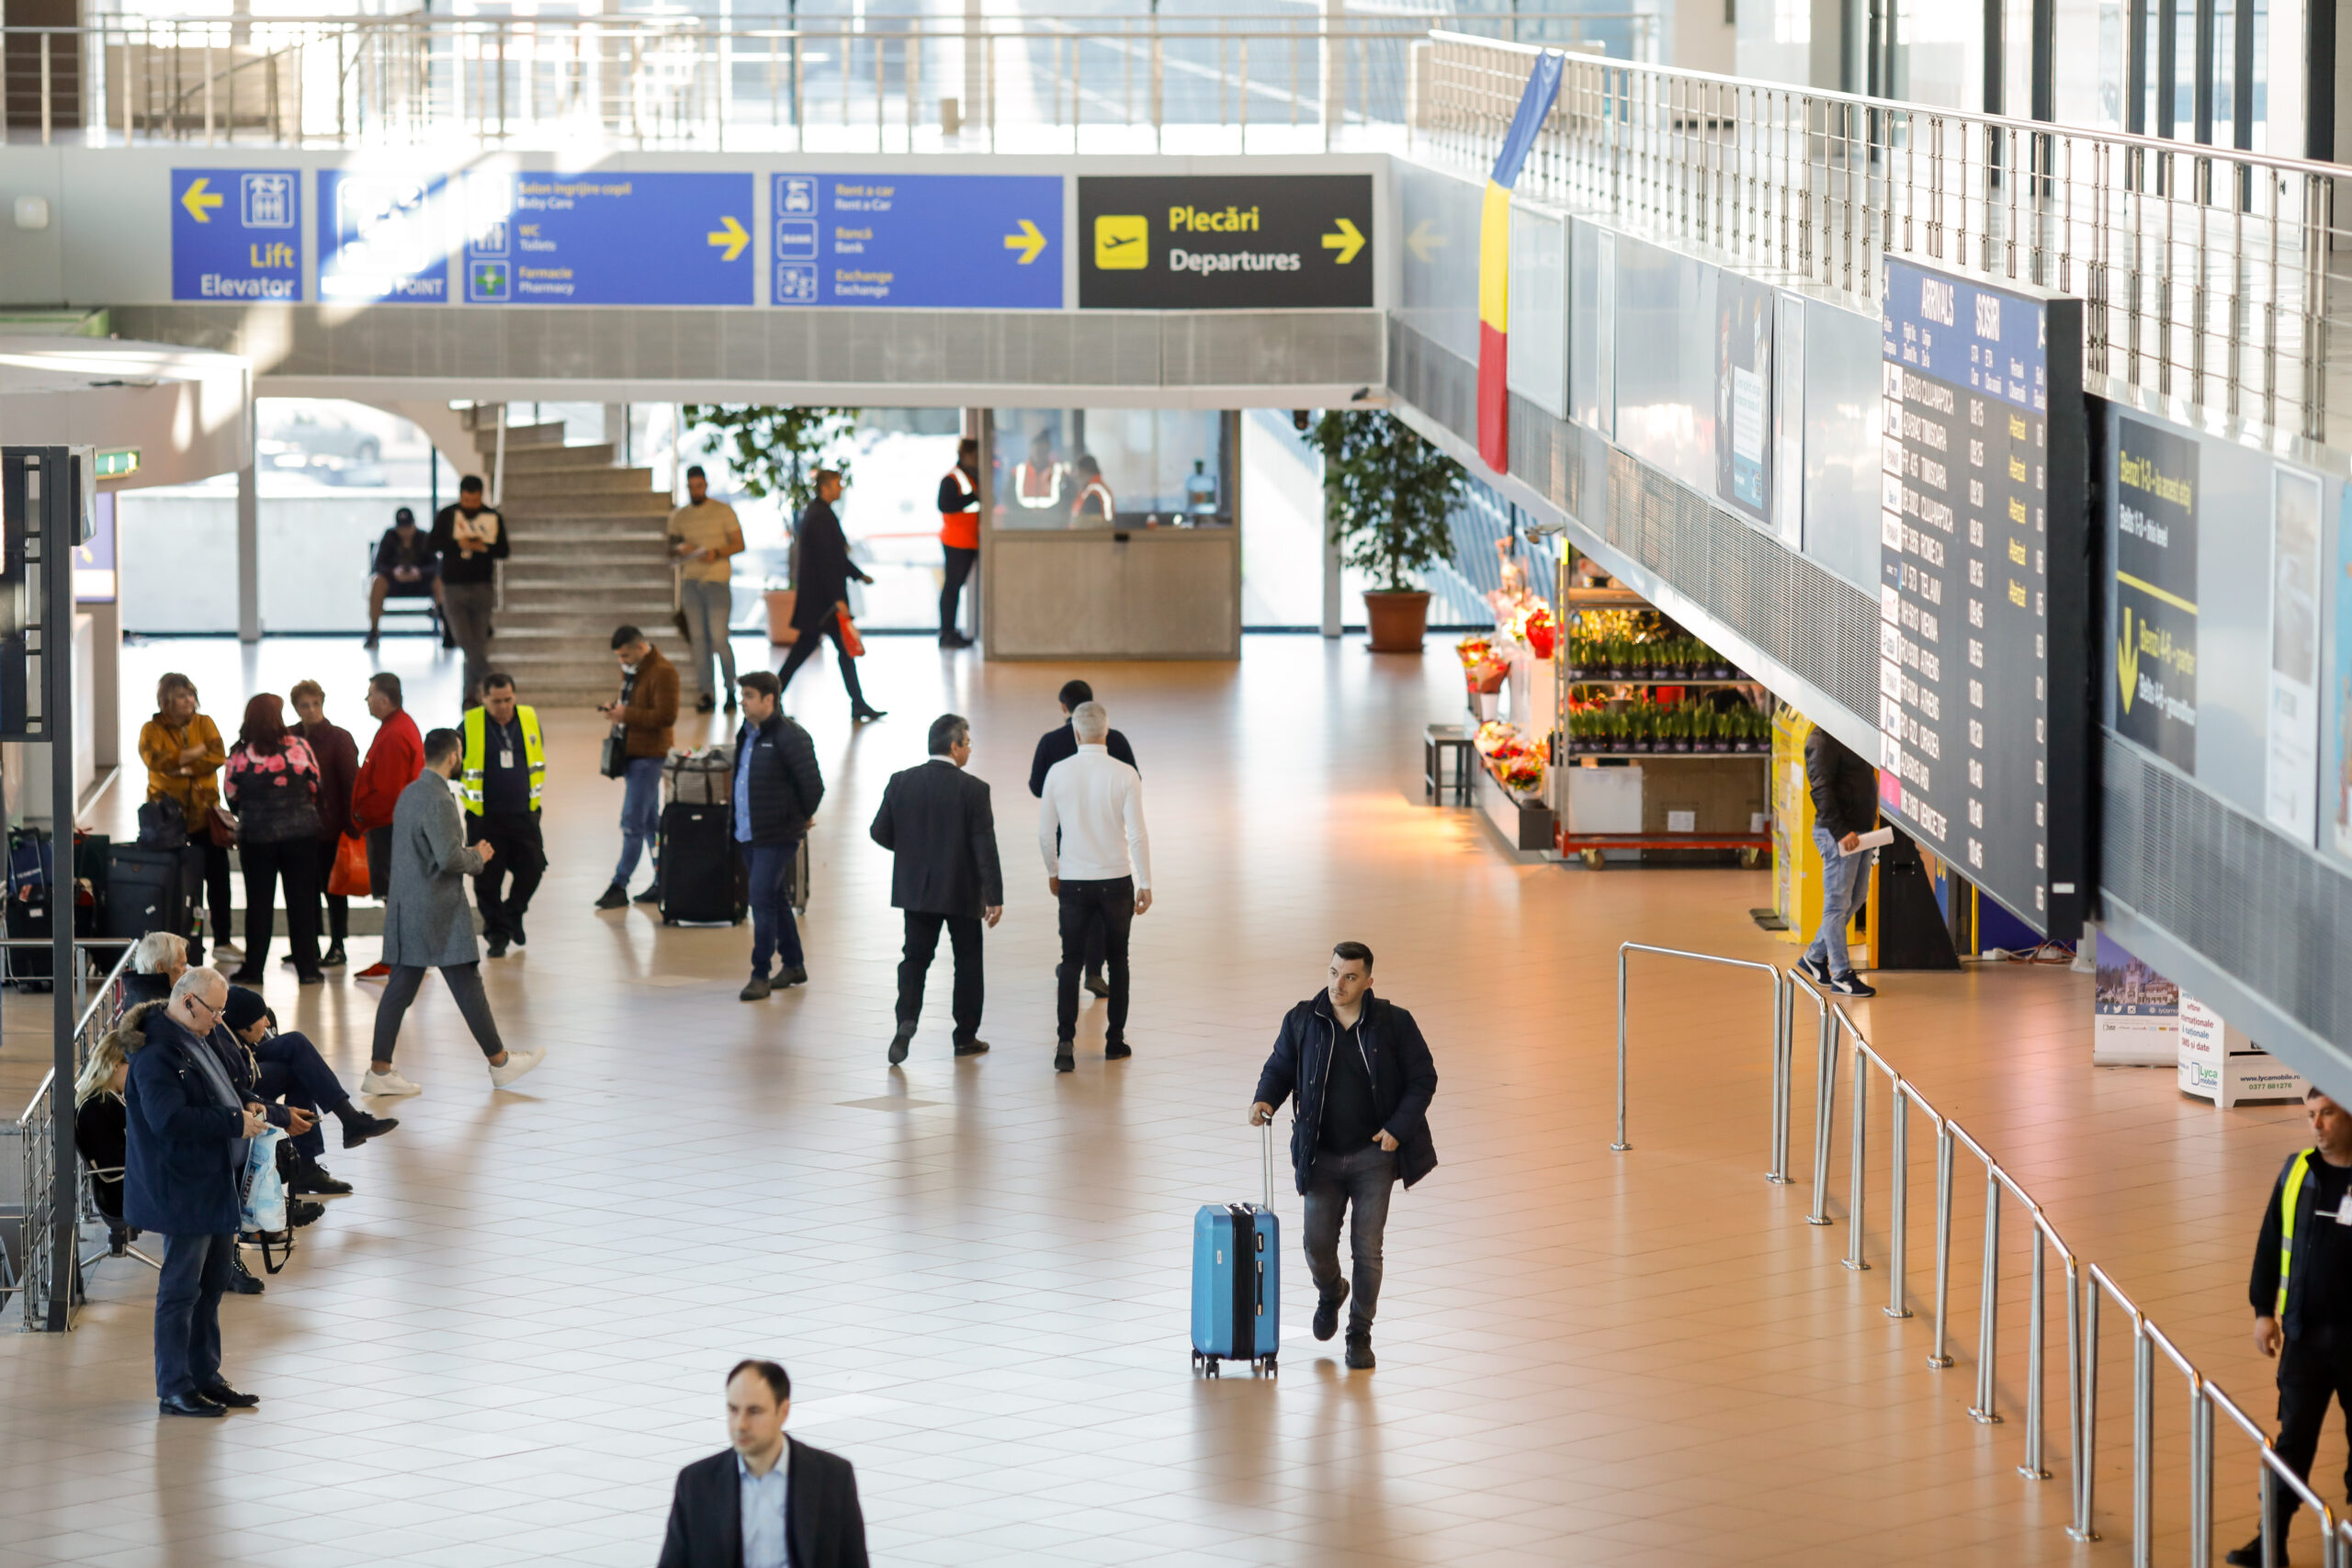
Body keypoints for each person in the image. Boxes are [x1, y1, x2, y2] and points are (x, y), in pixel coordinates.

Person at [1249, 942, 1441, 1372]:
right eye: (1334, 972)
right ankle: (1331, 1290)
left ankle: (1359, 1334)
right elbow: (1280, 1066)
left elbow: (1423, 1077)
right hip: (1321, 1157)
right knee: (1316, 1245)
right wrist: (1265, 1099)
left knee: (1367, 1249)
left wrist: (1397, 1129)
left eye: (1350, 977)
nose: (1339, 983)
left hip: (1374, 1156)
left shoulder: (1394, 1023)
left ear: (1369, 982)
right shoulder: (1303, 1020)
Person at [360, 727, 545, 1097]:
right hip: (437, 912)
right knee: (465, 985)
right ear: (454, 756)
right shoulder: (440, 798)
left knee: (402, 987)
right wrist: (479, 855)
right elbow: (448, 857)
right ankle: (500, 1063)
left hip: (408, 905)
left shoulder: (410, 793)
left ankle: (380, 1070)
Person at [123, 965, 266, 1417]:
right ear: (188, 1002)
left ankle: (206, 1375)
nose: (220, 1020)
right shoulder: (155, 1052)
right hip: (183, 1188)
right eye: (215, 1011)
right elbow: (167, 1120)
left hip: (214, 1180)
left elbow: (218, 1088)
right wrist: (231, 1122)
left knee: (213, 1284)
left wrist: (244, 1101)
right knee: (181, 1289)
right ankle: (175, 1388)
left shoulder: (197, 1037)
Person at [2233, 1088, 2352, 1566]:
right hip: (2305, 1335)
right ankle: (2270, 1540)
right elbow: (2269, 1239)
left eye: (2326, 1114)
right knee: (2292, 1440)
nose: (2317, 1126)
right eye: (2310, 1116)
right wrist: (2264, 1310)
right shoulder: (2297, 1169)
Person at [869, 714, 1002, 1062]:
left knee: (914, 959)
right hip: (961, 890)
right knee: (968, 961)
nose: (969, 750)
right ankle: (965, 1037)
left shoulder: (901, 781)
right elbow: (984, 847)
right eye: (968, 743)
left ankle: (906, 1022)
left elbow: (879, 831)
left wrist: (913, 853)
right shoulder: (974, 789)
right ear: (954, 746)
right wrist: (994, 896)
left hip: (917, 892)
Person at [657, 1359, 869, 1568]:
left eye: (754, 1411)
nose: (741, 1424)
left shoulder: (832, 1478)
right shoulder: (697, 1483)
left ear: (783, 1411)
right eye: (733, 1410)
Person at [1035, 701, 1149, 1073]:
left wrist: (1054, 869)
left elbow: (1044, 832)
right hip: (1116, 878)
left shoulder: (1057, 772)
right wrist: (1144, 881)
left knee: (1070, 961)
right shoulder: (1125, 774)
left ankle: (1066, 1041)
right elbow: (1136, 833)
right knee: (1119, 961)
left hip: (1074, 880)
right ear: (1107, 732)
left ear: (1076, 732)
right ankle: (1114, 1040)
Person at [220, 985, 399, 1195]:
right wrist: (281, 1115)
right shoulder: (222, 1042)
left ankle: (311, 1165)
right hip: (241, 1083)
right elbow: (233, 1085)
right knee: (297, 1055)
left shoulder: (238, 1026)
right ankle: (317, 1156)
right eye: (261, 1018)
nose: (267, 1022)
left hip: (252, 1054)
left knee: (299, 1060)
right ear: (245, 1027)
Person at [1028, 680, 1138, 1001]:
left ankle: (1072, 964)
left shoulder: (1050, 742)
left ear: (1064, 707)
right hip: (1108, 836)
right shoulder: (1114, 739)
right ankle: (1094, 969)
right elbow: (1135, 780)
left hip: (1069, 838)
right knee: (1105, 908)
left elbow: (1037, 787)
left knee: (1074, 905)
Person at [731, 671, 823, 1001]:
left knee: (760, 900)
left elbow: (813, 787)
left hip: (777, 835)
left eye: (749, 695)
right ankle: (794, 964)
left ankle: (760, 974)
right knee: (774, 896)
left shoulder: (791, 736)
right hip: (749, 832)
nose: (743, 701)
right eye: (742, 695)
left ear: (769, 699)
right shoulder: (747, 733)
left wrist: (797, 819)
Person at [221, 694, 325, 986]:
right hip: (300, 835)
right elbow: (316, 784)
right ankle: (308, 969)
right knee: (302, 901)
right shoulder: (299, 746)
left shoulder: (240, 753)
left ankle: (253, 969)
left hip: (257, 838)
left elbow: (231, 796)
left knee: (258, 903)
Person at [138, 672, 235, 964]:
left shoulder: (205, 723)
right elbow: (155, 760)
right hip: (167, 822)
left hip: (206, 817)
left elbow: (218, 754)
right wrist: (194, 753)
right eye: (182, 696)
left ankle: (223, 940)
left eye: (191, 695)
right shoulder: (151, 729)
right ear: (166, 700)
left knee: (219, 882)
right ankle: (174, 945)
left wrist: (184, 765)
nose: (189, 701)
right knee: (176, 884)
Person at [778, 470, 885, 723]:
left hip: (821, 601)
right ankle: (771, 698)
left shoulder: (820, 514)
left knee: (830, 649)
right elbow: (828, 562)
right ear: (825, 487)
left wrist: (858, 575)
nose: (840, 489)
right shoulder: (820, 516)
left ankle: (858, 704)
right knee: (811, 650)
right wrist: (838, 600)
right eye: (837, 484)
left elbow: (835, 557)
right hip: (823, 603)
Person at [594, 626, 679, 910]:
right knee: (650, 824)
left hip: (649, 755)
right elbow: (633, 703)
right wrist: (617, 709)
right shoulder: (634, 670)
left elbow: (667, 716)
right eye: (619, 656)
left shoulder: (663, 673)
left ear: (642, 646)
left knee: (632, 823)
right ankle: (663, 878)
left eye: (626, 655)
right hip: (633, 752)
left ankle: (620, 884)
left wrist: (625, 714)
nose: (623, 661)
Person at [463, 673, 548, 959]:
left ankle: (513, 912)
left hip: (524, 813)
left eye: (508, 699)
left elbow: (537, 754)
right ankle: (497, 934)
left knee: (534, 866)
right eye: (496, 701)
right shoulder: (470, 725)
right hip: (485, 818)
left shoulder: (528, 718)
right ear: (484, 698)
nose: (503, 706)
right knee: (487, 879)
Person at [350, 672, 424, 981]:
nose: (367, 700)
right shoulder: (396, 726)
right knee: (398, 895)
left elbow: (389, 792)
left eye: (370, 695)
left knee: (393, 895)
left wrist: (363, 816)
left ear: (383, 698)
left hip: (388, 826)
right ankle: (410, 955)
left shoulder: (394, 733)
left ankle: (396, 958)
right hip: (391, 825)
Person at [1797, 725, 1880, 998]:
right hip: (1839, 834)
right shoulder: (1821, 740)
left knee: (1855, 899)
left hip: (1861, 831)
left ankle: (1814, 956)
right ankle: (1842, 975)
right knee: (1836, 904)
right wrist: (1840, 831)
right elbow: (1820, 789)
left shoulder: (1850, 734)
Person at [288, 680, 357, 970]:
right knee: (304, 889)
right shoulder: (289, 736)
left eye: (315, 703)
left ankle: (338, 945)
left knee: (334, 890)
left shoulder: (338, 738)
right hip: (298, 828)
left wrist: (351, 824)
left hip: (330, 829)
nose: (311, 710)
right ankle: (309, 945)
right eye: (305, 705)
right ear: (296, 708)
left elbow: (350, 784)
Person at [670, 465, 745, 714]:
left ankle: (732, 691)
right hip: (692, 582)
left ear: (706, 484)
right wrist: (683, 549)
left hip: (717, 581)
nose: (695, 491)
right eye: (691, 487)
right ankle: (706, 692)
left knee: (719, 638)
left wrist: (716, 552)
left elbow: (739, 543)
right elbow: (671, 546)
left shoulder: (723, 511)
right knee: (699, 641)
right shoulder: (681, 516)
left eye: (699, 486)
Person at [430, 474, 510, 707]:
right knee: (465, 640)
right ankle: (493, 685)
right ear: (460, 496)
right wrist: (458, 544)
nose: (470, 505)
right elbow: (432, 544)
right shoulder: (447, 515)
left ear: (481, 497)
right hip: (453, 587)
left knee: (477, 643)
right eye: (466, 500)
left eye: (474, 501)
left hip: (482, 586)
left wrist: (483, 546)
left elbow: (503, 550)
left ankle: (470, 696)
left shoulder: (492, 516)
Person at [366, 505, 447, 650]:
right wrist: (395, 572)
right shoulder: (389, 537)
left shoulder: (423, 537)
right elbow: (378, 565)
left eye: (408, 528)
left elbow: (436, 566)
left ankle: (446, 630)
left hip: (421, 582)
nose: (405, 532)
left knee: (439, 581)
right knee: (377, 581)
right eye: (402, 528)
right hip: (394, 583)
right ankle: (374, 630)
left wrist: (419, 572)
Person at [935, 438, 980, 648]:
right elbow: (944, 505)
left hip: (968, 540)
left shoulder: (972, 476)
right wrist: (973, 497)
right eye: (974, 455)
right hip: (956, 541)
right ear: (966, 455)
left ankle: (950, 632)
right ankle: (947, 634)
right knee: (951, 588)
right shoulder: (952, 479)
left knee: (954, 588)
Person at [1069, 454, 1114, 525]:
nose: (1074, 476)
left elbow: (1089, 524)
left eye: (1075, 470)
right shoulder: (1090, 490)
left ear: (1083, 471)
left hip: (1093, 535)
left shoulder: (1094, 493)